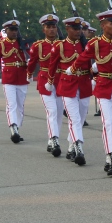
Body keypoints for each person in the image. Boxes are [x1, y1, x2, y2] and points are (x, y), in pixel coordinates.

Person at [70, 8, 112, 176]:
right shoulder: (95, 43)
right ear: (103, 25)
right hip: (104, 86)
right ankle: (111, 158)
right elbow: (83, 57)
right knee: (108, 123)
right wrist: (72, 68)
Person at [45, 17, 92, 166]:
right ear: (67, 29)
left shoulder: (86, 45)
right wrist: (50, 82)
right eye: (75, 28)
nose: (78, 31)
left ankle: (71, 147)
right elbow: (52, 66)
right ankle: (78, 147)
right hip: (67, 85)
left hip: (84, 84)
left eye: (79, 29)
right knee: (75, 119)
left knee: (81, 117)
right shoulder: (60, 46)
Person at [27, 14, 64, 155]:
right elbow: (32, 62)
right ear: (43, 29)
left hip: (60, 80)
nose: (52, 30)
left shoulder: (63, 44)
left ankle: (52, 138)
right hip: (44, 80)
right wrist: (29, 75)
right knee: (52, 111)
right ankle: (54, 139)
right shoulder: (38, 45)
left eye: (54, 27)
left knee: (59, 113)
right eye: (48, 27)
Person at [0, 19, 29, 143]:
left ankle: (17, 128)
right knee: (11, 104)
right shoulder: (1, 44)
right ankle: (13, 128)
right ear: (7, 30)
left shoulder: (22, 43)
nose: (14, 32)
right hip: (9, 77)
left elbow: (30, 56)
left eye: (16, 30)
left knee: (20, 106)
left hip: (22, 76)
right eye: (12, 30)